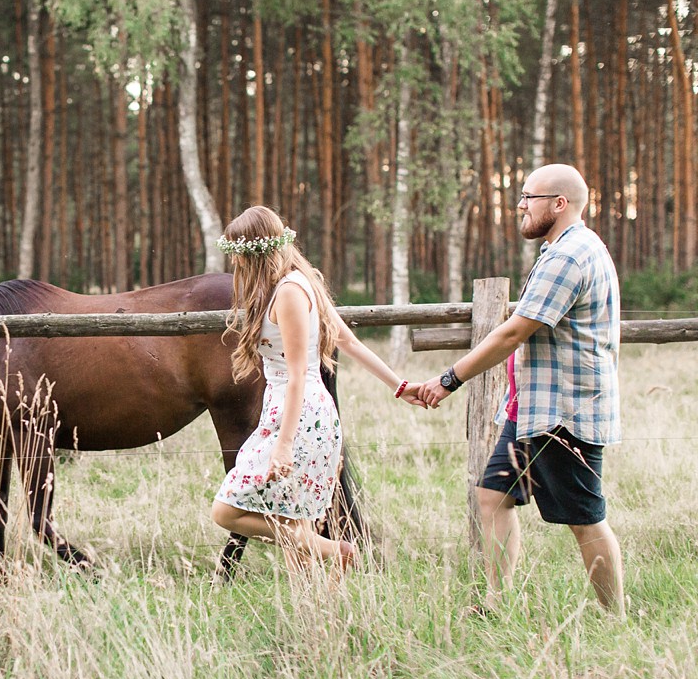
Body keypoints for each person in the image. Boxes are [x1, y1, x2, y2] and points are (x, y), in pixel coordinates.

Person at [415, 163, 624, 616]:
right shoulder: (561, 250)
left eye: (528, 197)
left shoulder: (570, 256)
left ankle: (616, 619)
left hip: (563, 413)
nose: (520, 207)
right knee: (493, 496)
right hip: (533, 411)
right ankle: (497, 603)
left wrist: (448, 379)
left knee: (585, 521)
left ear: (559, 203)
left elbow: (513, 333)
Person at [211, 206, 426, 578]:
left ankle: (339, 551)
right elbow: (351, 342)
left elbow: (298, 373)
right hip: (293, 411)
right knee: (296, 529)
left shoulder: (290, 293)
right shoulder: (292, 282)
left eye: (238, 255)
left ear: (254, 253)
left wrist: (284, 444)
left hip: (300, 417)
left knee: (226, 511)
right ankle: (320, 621)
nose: (235, 265)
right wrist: (400, 386)